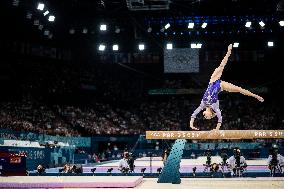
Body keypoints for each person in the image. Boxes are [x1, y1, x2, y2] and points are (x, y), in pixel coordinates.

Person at [190, 44, 264, 130]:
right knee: (239, 89)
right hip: (221, 85)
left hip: (212, 81)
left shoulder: (202, 105)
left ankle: (228, 52)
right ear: (210, 114)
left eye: (205, 117)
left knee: (221, 66)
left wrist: (191, 125)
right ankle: (256, 96)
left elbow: (194, 114)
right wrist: (217, 129)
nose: (205, 116)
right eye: (208, 117)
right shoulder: (215, 107)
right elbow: (220, 119)